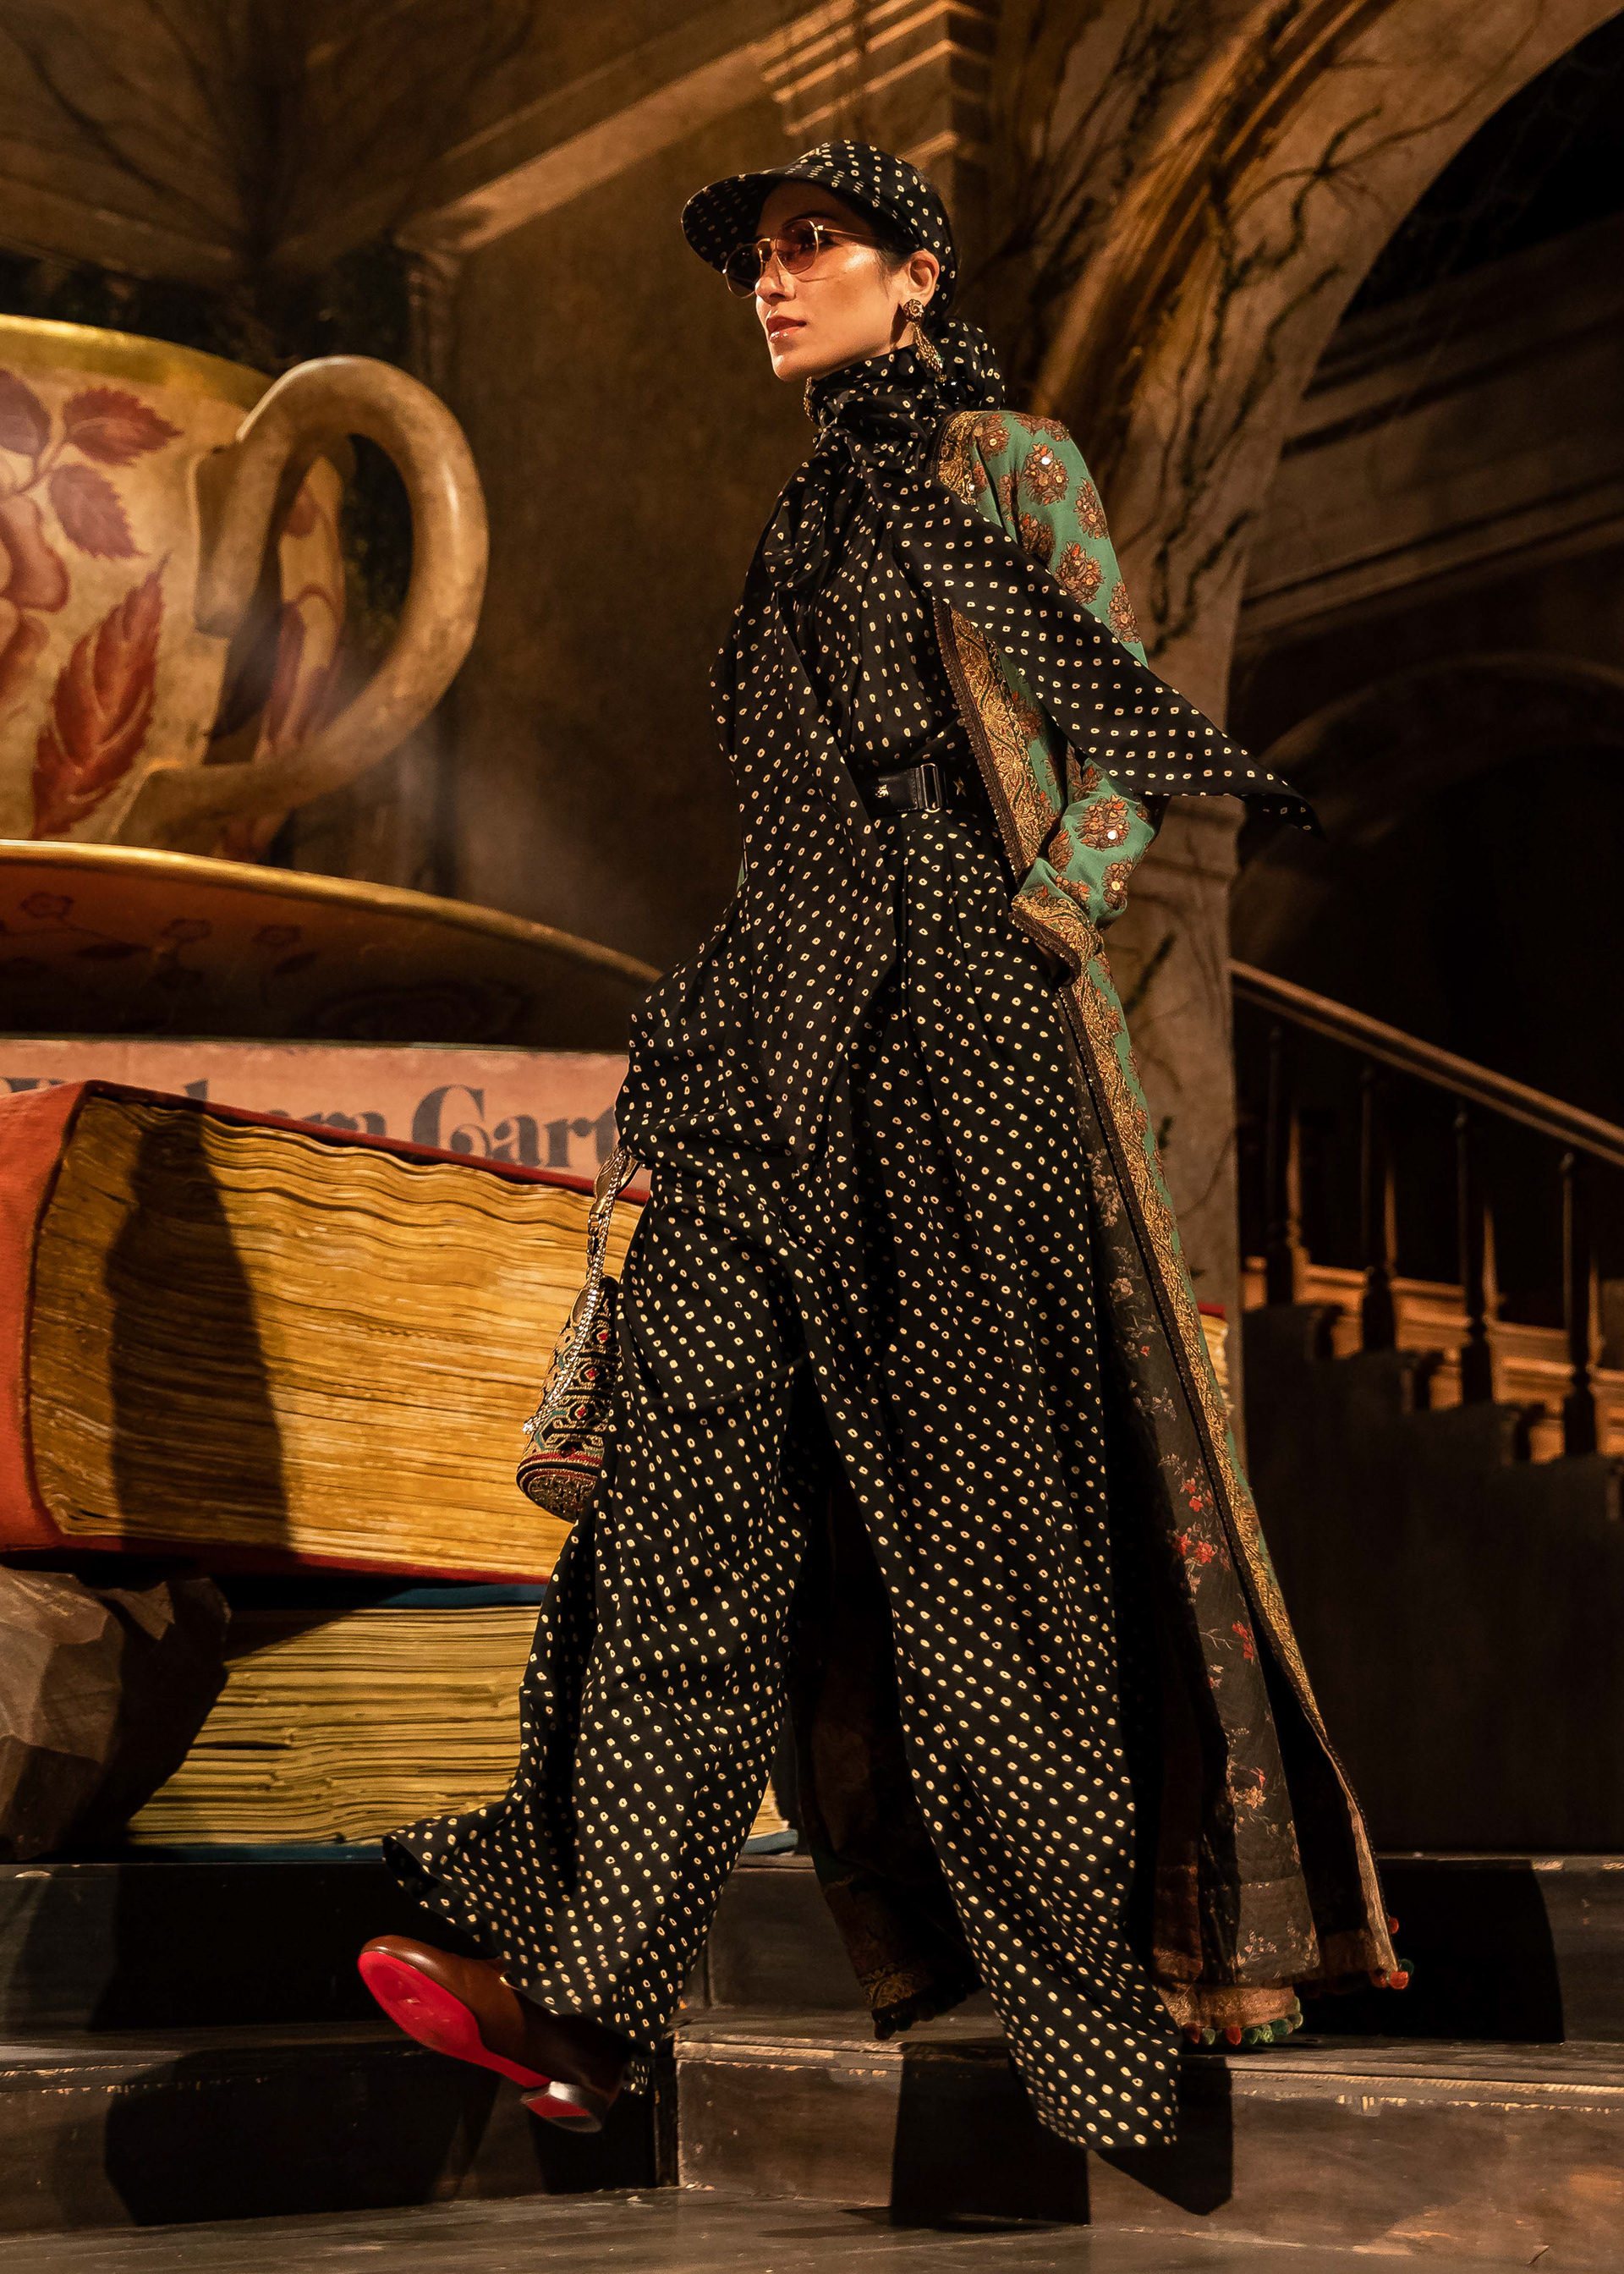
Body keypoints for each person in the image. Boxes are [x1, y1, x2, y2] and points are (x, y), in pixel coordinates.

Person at [358, 141, 1398, 2152]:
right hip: (769, 1049)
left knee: (986, 1530)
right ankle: (588, 1992)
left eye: (813, 244)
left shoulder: (1006, 463)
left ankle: (1099, 2003)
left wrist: (1051, 919)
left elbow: (1119, 729)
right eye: (758, 256)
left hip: (957, 1041)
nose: (773, 279)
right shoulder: (802, 518)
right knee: (679, 1516)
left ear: (917, 276)